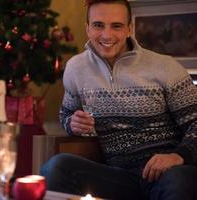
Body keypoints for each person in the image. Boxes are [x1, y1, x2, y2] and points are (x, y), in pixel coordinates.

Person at [40, 0, 197, 199]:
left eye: (116, 26)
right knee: (56, 167)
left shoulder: (165, 67)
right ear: (87, 28)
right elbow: (66, 114)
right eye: (98, 25)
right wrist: (72, 123)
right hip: (119, 177)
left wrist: (178, 156)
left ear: (129, 29)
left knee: (179, 181)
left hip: (168, 173)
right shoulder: (76, 68)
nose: (107, 35)